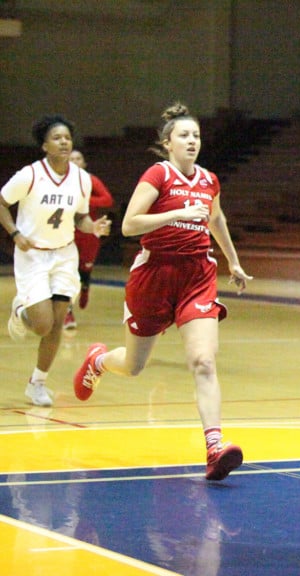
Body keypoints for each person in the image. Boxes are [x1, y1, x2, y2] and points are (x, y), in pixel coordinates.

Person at [71, 103, 253, 478]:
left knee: (203, 361)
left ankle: (214, 447)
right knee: (134, 366)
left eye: (196, 136)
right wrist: (175, 214)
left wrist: (232, 261)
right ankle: (99, 360)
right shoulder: (158, 174)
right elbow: (129, 224)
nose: (192, 141)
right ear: (167, 143)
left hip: (197, 276)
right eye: (184, 135)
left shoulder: (209, 181)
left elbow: (215, 219)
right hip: (154, 275)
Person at [0, 115, 112, 407]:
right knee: (41, 325)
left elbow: (81, 218)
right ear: (44, 145)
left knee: (58, 323)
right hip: (33, 254)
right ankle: (21, 313)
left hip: (64, 254)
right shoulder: (30, 175)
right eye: (57, 138)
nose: (64, 142)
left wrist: (93, 227)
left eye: (67, 137)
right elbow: (1, 203)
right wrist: (14, 233)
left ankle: (37, 383)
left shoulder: (82, 179)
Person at [64, 149, 115, 330]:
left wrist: (83, 202)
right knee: (67, 273)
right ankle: (67, 313)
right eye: (71, 159)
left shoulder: (90, 180)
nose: (75, 161)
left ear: (84, 163)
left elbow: (107, 200)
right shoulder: (61, 182)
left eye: (79, 158)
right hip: (67, 233)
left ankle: (85, 286)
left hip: (89, 232)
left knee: (84, 270)